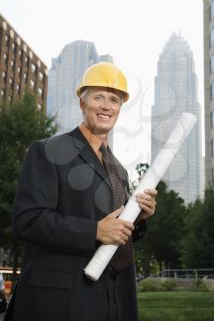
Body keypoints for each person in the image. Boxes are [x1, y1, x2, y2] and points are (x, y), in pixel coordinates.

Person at [4, 62, 157, 321]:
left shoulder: (118, 168)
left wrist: (137, 218)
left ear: (120, 108)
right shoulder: (48, 150)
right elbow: (27, 220)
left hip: (113, 299)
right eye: (98, 97)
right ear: (82, 103)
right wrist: (95, 231)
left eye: (114, 100)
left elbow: (115, 230)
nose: (107, 106)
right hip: (61, 301)